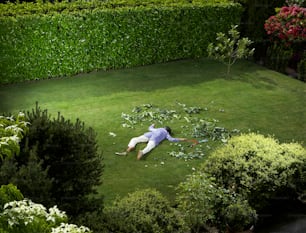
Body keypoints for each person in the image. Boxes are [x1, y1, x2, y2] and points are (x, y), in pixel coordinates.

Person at [116, 124, 187, 160]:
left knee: (135, 139)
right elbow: (171, 139)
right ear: (168, 131)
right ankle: (142, 152)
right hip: (154, 139)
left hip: (148, 135)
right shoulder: (166, 133)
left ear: (164, 128)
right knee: (149, 147)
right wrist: (180, 139)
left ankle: (131, 147)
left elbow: (150, 128)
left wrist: (152, 124)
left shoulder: (158, 129)